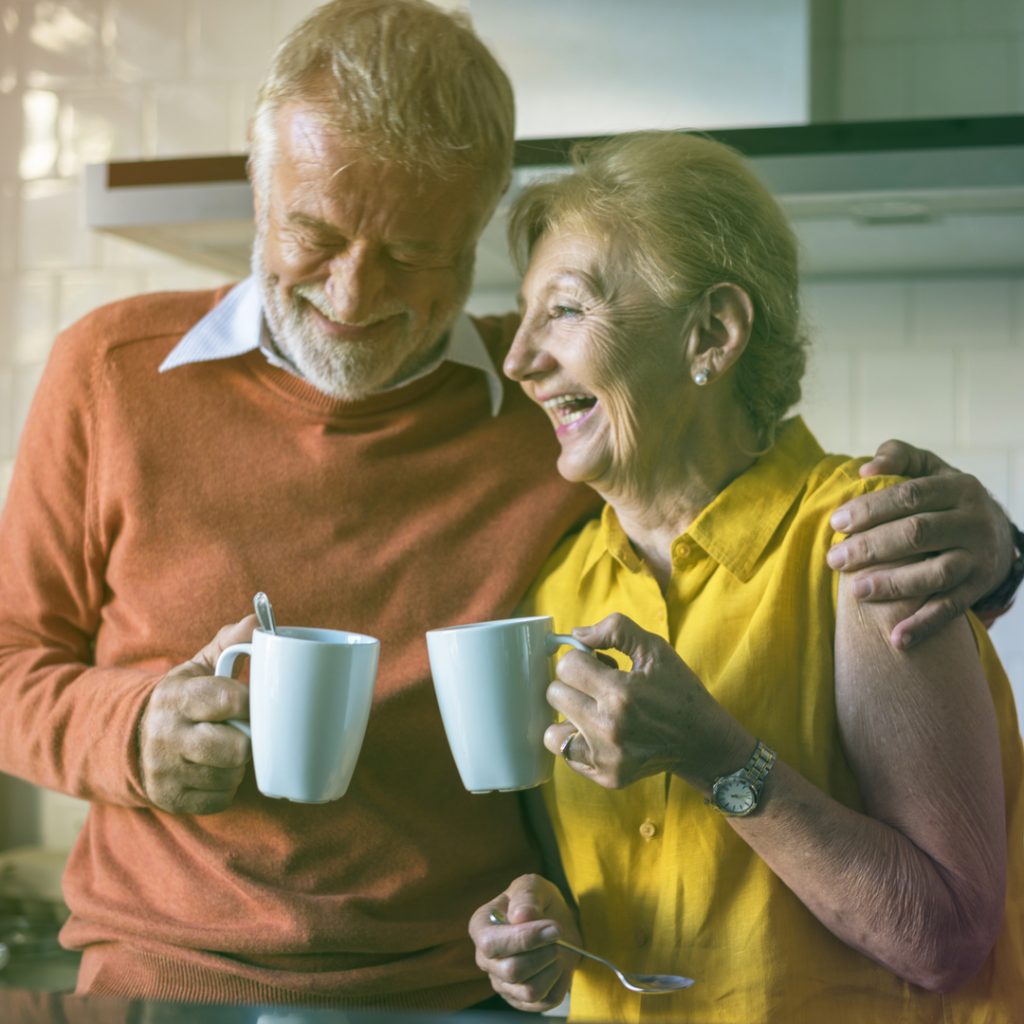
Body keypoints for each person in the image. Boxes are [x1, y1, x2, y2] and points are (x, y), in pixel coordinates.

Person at [0, 0, 1017, 1011]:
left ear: (475, 226)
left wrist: (997, 549)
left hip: (454, 994)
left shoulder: (545, 410)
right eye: (312, 234)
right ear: (257, 190)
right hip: (160, 976)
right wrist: (132, 730)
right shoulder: (111, 369)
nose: (354, 296)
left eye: (410, 253)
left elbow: (729, 463)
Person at [468, 131, 1024, 1022]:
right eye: (524, 315)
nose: (520, 359)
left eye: (566, 311)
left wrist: (716, 756)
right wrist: (537, 934)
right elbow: (606, 896)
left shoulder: (864, 543)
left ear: (711, 335)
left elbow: (947, 937)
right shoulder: (556, 588)